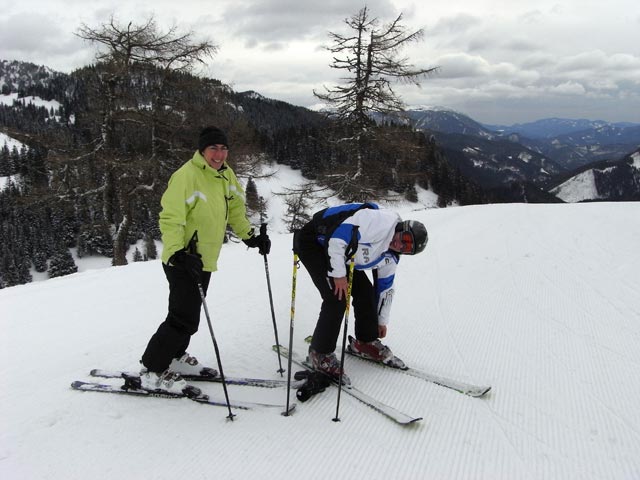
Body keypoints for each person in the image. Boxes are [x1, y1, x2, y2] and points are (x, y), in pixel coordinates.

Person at [140, 126, 270, 393]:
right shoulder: (186, 176)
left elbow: (235, 208)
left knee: (190, 316)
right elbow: (171, 217)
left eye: (223, 148)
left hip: (204, 259)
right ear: (202, 150)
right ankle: (152, 368)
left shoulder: (226, 174)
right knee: (181, 318)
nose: (219, 154)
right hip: (184, 259)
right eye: (213, 148)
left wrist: (250, 237)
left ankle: (174, 357)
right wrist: (178, 253)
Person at [293, 202, 427, 383]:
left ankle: (365, 341)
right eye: (404, 238)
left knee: (365, 291)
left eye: (407, 247)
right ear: (402, 227)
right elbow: (338, 238)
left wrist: (380, 321)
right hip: (315, 241)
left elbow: (385, 288)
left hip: (343, 254)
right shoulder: (380, 222)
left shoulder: (391, 256)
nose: (400, 245)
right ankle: (320, 354)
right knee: (337, 297)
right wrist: (338, 275)